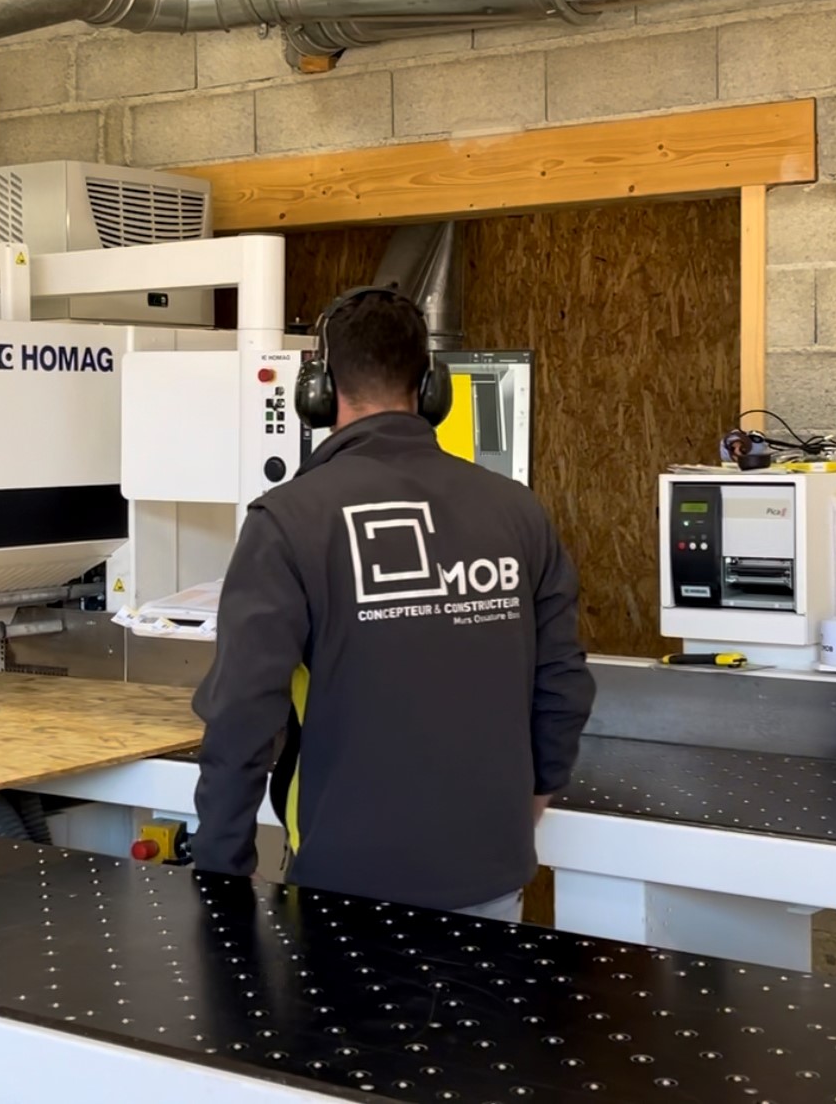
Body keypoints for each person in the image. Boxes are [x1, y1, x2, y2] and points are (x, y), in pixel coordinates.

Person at [191, 287, 595, 920]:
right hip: (491, 870)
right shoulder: (516, 510)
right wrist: (535, 794)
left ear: (318, 390)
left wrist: (220, 869)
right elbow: (563, 679)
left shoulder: (290, 520)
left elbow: (244, 713)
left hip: (345, 883)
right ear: (434, 387)